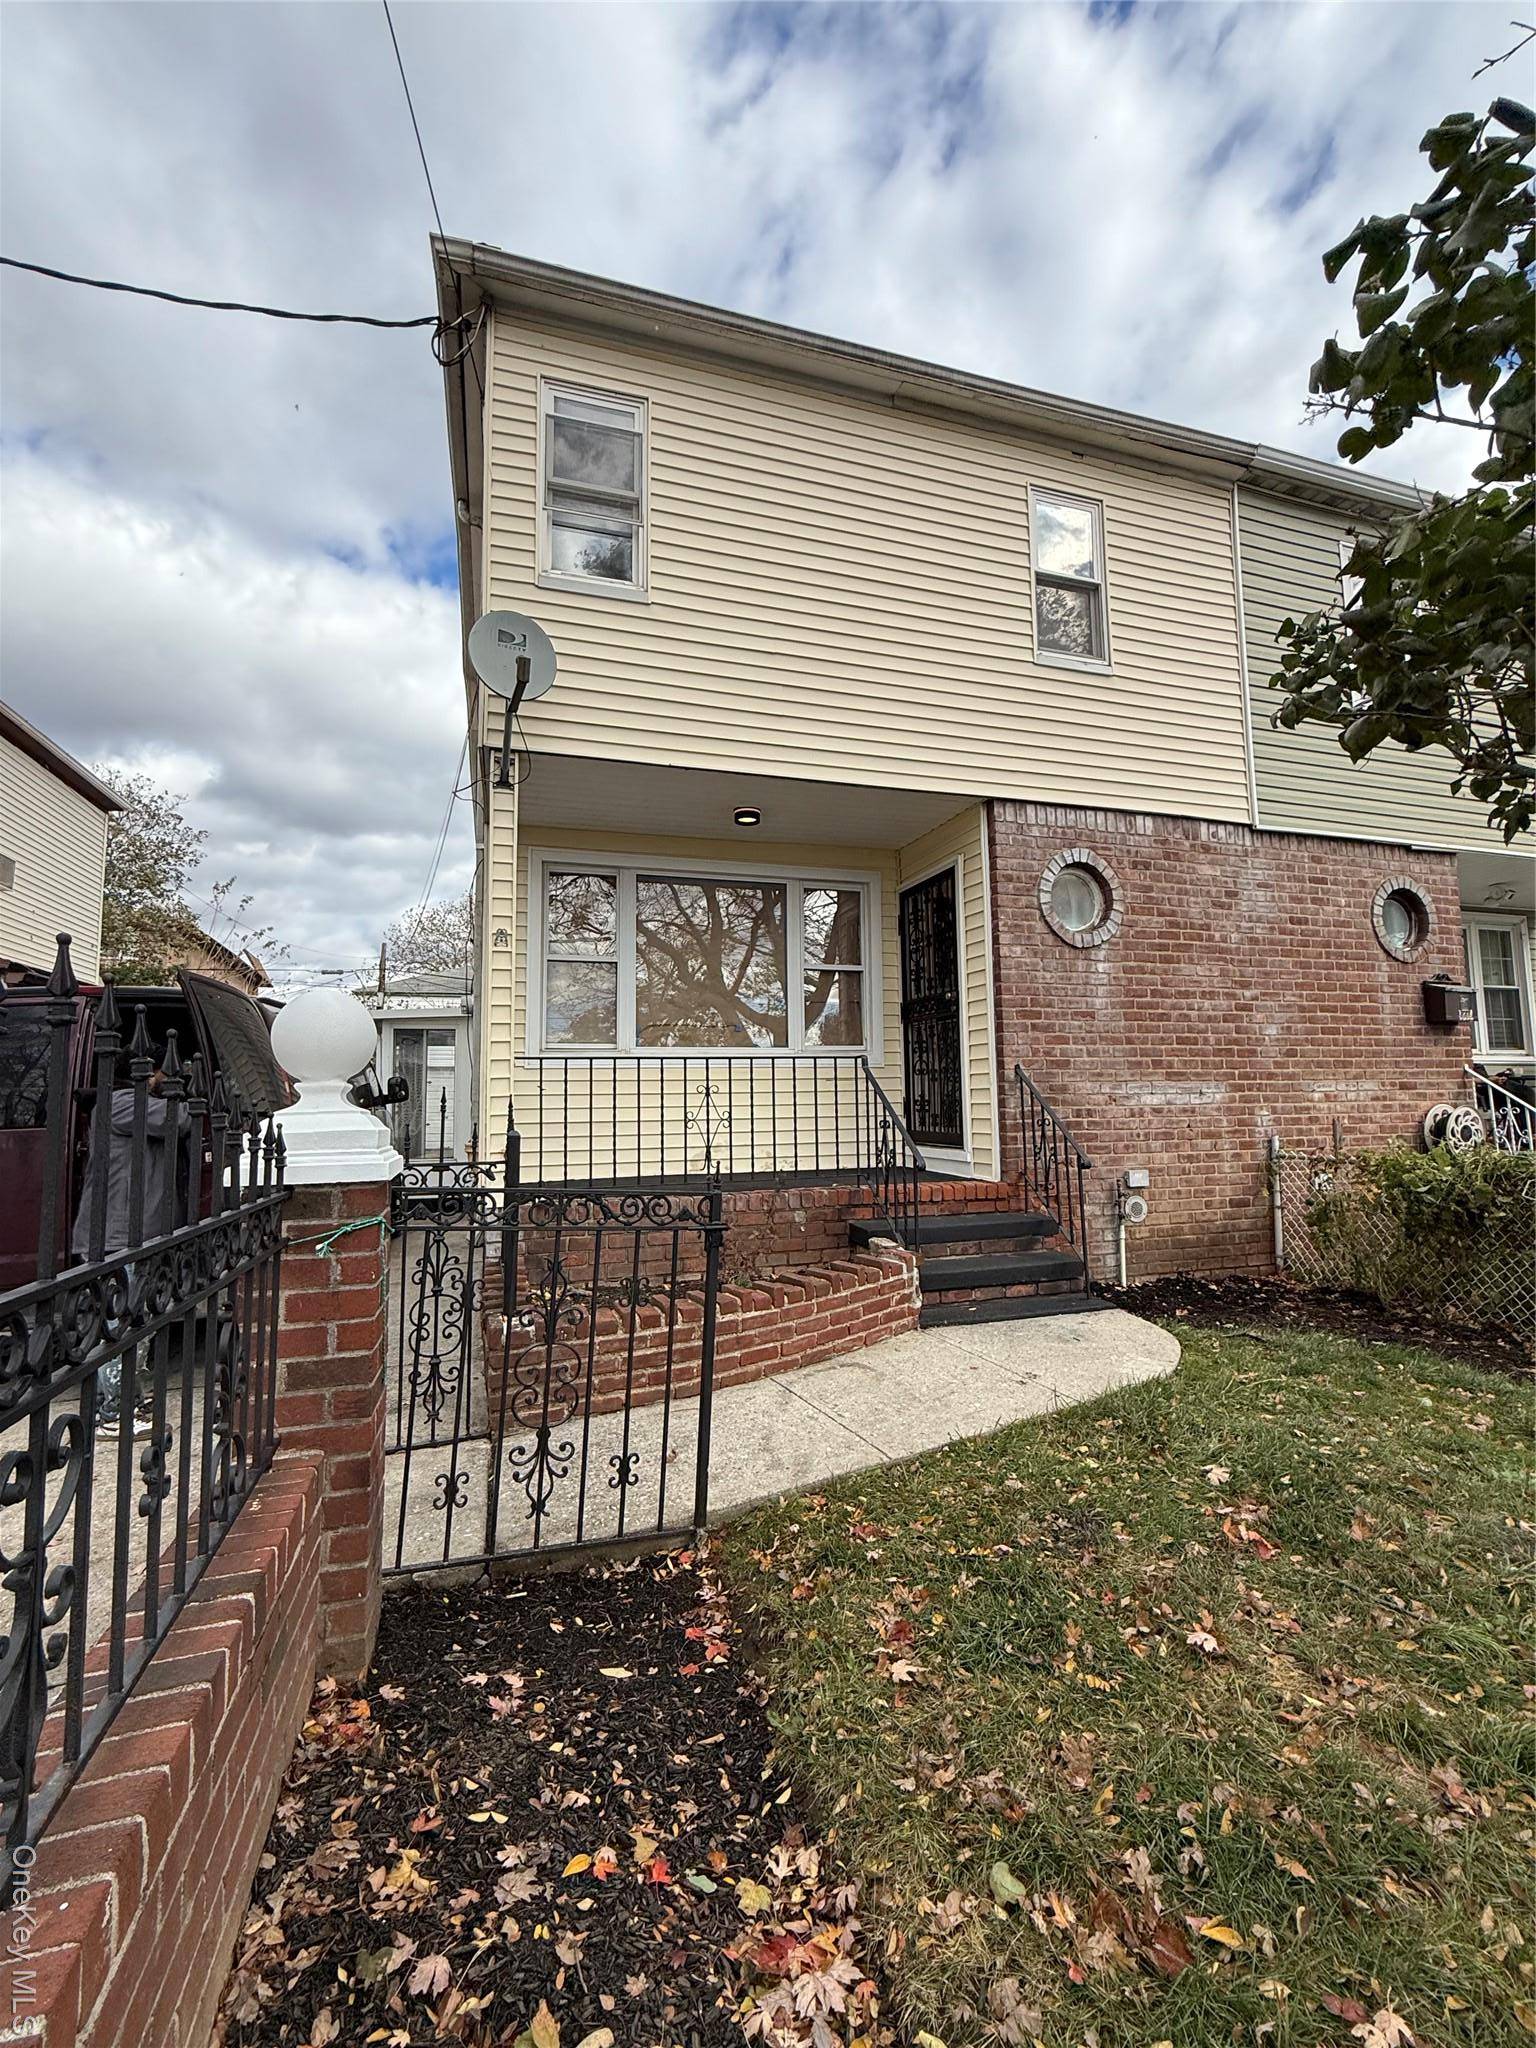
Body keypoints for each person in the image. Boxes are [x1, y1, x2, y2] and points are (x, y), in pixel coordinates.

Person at [71, 1059, 174, 1437]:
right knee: (121, 1322)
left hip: (124, 1232)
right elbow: (179, 1120)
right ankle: (113, 1412)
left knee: (130, 1320)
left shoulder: (121, 1104)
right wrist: (175, 1089)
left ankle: (122, 1402)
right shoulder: (123, 1103)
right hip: (117, 1235)